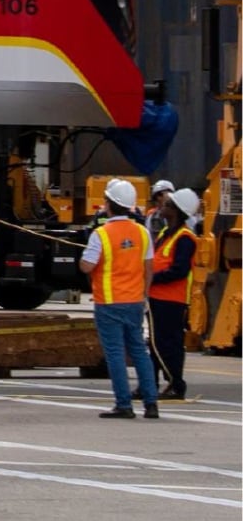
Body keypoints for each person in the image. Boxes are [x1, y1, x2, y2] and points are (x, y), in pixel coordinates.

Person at [80, 178, 159, 419]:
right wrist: (143, 294)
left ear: (109, 204)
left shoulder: (100, 234)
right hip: (135, 301)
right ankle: (151, 403)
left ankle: (124, 404)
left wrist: (84, 258)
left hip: (109, 302)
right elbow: (148, 269)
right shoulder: (143, 232)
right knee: (139, 351)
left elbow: (86, 266)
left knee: (115, 353)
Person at [149, 186, 199, 402]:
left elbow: (180, 270)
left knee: (168, 344)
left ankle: (176, 384)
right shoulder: (164, 233)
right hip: (156, 299)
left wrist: (152, 278)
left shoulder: (185, 238)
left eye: (168, 205)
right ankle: (150, 385)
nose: (163, 207)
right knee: (153, 344)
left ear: (177, 211)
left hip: (172, 300)